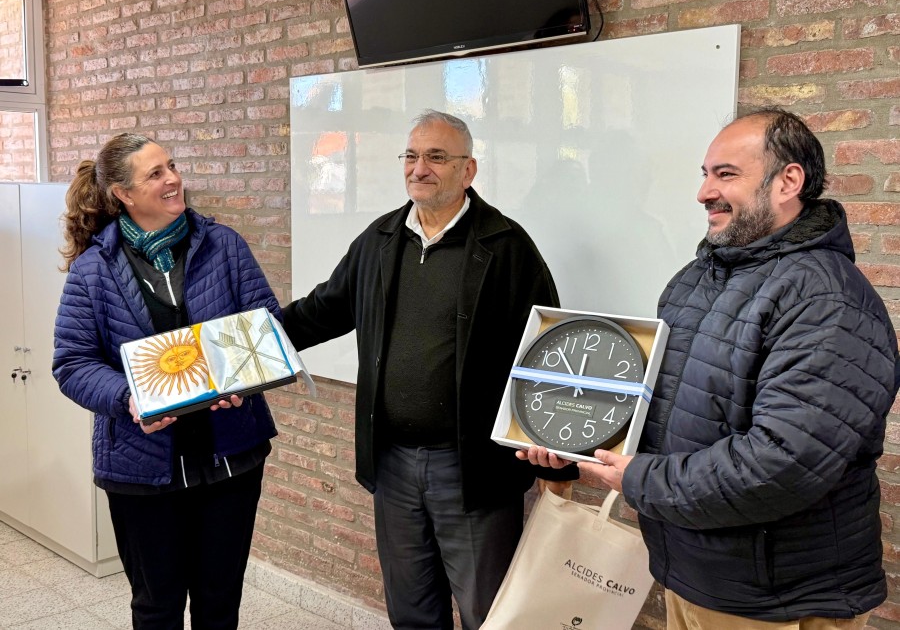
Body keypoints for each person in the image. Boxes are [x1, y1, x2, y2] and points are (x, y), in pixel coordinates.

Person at [520, 108, 900, 629]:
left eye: (726, 174)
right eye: (705, 174)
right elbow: (660, 406)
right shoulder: (694, 281)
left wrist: (641, 479)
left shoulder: (826, 298)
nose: (704, 192)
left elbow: (783, 463)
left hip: (776, 602)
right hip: (695, 576)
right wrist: (573, 442)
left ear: (789, 181)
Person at [281, 110, 576, 629]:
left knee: (488, 612)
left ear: (469, 170)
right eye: (412, 156)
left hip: (471, 466)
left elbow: (547, 355)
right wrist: (239, 351)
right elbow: (321, 311)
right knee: (412, 610)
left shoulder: (507, 248)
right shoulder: (381, 239)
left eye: (437, 157)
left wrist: (557, 460)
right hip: (392, 463)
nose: (420, 168)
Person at [53, 133, 280, 629]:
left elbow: (266, 325)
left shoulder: (224, 245)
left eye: (171, 166)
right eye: (155, 174)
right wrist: (126, 397)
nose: (173, 179)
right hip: (140, 467)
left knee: (220, 604)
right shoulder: (93, 270)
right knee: (157, 607)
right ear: (123, 194)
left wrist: (246, 377)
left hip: (230, 460)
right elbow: (71, 363)